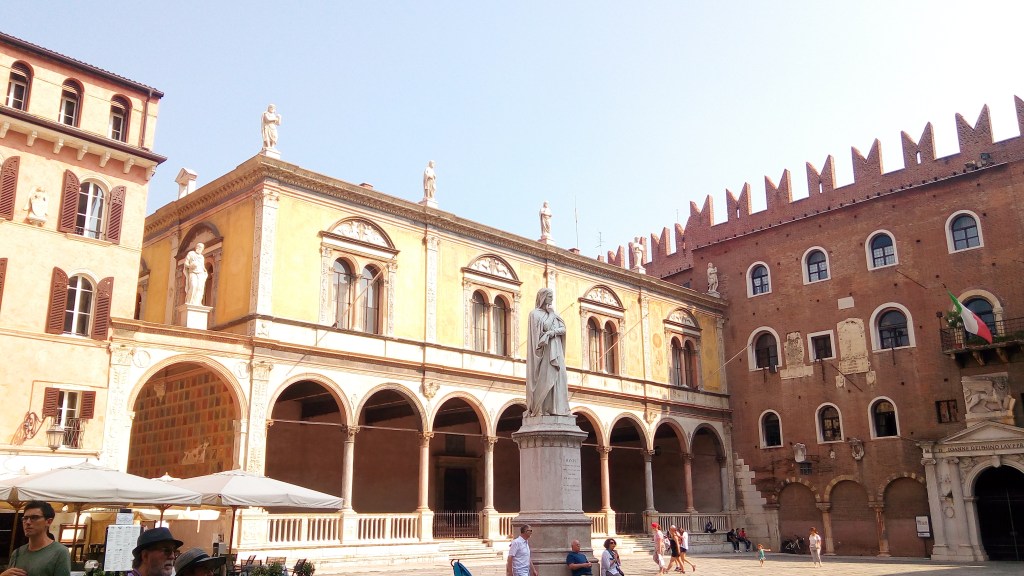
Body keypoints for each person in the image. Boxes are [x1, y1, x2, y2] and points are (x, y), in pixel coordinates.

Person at [526, 288, 570, 417]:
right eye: (549, 296)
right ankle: (543, 407)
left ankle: (557, 409)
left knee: (559, 377)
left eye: (552, 296)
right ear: (543, 297)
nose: (552, 299)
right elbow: (544, 327)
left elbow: (563, 329)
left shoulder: (554, 315)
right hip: (546, 352)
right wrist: (550, 315)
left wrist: (552, 332)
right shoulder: (535, 314)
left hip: (557, 350)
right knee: (546, 377)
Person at [2, 501, 70, 576]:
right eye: (25, 518)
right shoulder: (17, 553)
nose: (27, 522)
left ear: (48, 522)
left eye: (34, 517)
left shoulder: (60, 552)